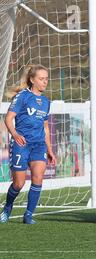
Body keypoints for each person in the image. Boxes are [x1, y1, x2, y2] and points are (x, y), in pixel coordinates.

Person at [0, 64, 56, 224]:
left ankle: (29, 215)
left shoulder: (46, 102)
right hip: (22, 143)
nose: (45, 82)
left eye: (46, 79)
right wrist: (15, 134)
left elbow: (45, 127)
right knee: (19, 183)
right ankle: (7, 207)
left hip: (39, 145)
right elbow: (8, 118)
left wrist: (50, 148)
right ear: (32, 80)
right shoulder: (22, 96)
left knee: (38, 178)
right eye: (41, 79)